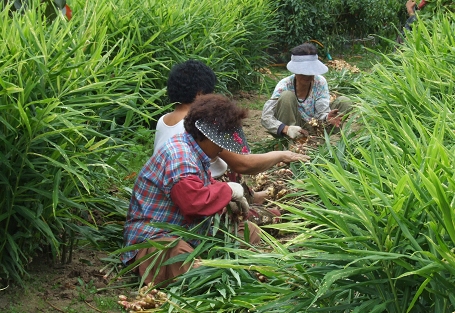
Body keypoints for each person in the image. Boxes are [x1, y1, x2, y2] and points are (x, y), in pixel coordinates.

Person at [122, 94, 261, 286]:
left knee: (248, 231)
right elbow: (192, 202)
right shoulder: (180, 155)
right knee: (176, 253)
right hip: (156, 237)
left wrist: (226, 202)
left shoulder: (193, 149)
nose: (222, 148)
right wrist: (227, 191)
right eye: (221, 143)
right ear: (209, 137)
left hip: (189, 231)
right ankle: (219, 276)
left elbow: (203, 186)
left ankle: (233, 270)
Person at [261, 43, 353, 139]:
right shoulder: (284, 85)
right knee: (286, 96)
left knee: (345, 102)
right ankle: (291, 142)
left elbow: (322, 111)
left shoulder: (319, 82)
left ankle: (324, 139)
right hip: (293, 127)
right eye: (303, 72)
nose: (308, 76)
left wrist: (327, 117)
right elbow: (266, 117)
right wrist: (286, 129)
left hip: (316, 126)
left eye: (311, 72)